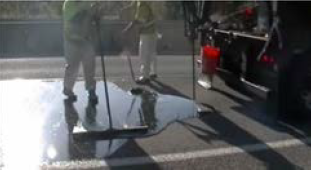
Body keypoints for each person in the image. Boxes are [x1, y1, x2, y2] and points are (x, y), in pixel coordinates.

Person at [62, 0, 101, 102]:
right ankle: (67, 88)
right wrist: (89, 13)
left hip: (85, 40)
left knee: (90, 64)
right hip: (71, 39)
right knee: (72, 65)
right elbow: (75, 19)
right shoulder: (69, 3)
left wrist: (96, 16)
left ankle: (91, 89)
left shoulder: (86, 2)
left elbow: (90, 20)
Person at [122, 1, 158, 84]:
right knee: (151, 53)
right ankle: (153, 72)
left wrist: (127, 29)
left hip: (147, 32)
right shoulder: (141, 2)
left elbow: (138, 20)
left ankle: (145, 77)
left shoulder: (143, 4)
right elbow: (133, 4)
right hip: (152, 31)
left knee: (144, 54)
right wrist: (126, 8)